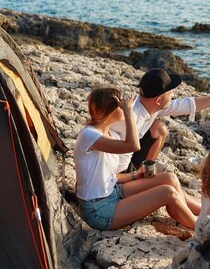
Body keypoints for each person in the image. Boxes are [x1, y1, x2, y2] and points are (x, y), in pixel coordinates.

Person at [74, 86, 198, 231]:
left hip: (112, 192)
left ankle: (190, 214)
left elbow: (110, 176)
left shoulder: (110, 134)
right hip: (98, 211)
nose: (125, 107)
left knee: (169, 178)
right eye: (120, 105)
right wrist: (128, 112)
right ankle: (201, 228)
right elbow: (133, 145)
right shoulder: (89, 136)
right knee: (167, 193)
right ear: (111, 110)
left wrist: (135, 175)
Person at [110, 68, 210, 174]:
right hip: (116, 170)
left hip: (129, 155)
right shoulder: (127, 115)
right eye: (170, 92)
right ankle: (137, 178)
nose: (173, 95)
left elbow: (188, 104)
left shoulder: (149, 105)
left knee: (159, 128)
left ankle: (146, 171)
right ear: (158, 100)